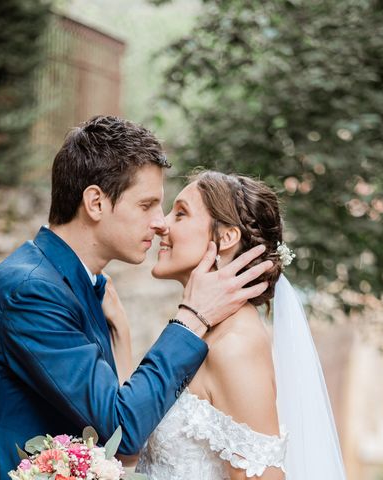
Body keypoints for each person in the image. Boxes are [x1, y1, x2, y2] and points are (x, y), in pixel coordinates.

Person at [0, 117, 272, 479]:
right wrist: (190, 317)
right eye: (146, 205)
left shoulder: (77, 286)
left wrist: (120, 334)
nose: (159, 222)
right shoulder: (30, 291)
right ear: (95, 203)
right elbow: (122, 430)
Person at [104, 170, 346, 479]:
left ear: (227, 237)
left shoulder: (236, 346)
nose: (163, 223)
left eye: (180, 214)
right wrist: (121, 334)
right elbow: (132, 443)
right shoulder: (199, 331)